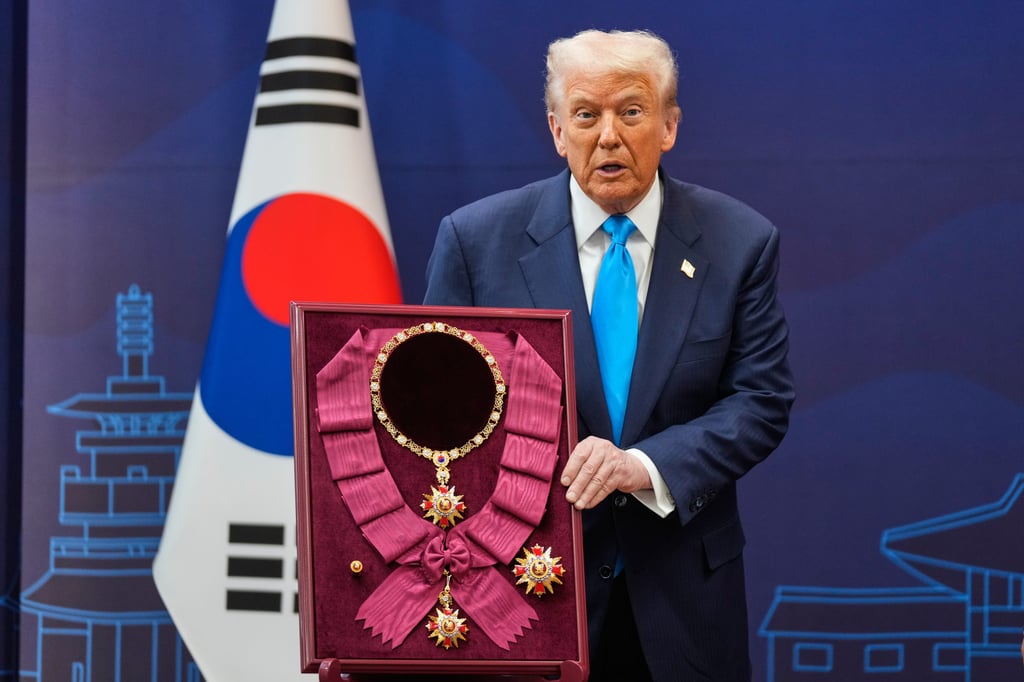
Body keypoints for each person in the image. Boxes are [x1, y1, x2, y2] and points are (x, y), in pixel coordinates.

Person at [423, 29, 794, 682]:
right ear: (557, 130)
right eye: (586, 115)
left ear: (669, 125)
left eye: (631, 111)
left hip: (685, 601)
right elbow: (437, 420)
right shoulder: (475, 244)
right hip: (520, 596)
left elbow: (761, 401)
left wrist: (642, 466)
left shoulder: (740, 243)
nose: (609, 136)